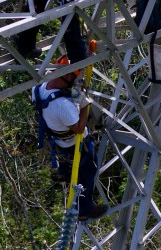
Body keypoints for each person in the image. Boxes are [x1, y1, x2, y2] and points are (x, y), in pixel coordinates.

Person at [31, 55, 108, 221]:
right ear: (67, 76)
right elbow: (79, 129)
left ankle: (64, 172)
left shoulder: (40, 88)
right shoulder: (62, 106)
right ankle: (85, 210)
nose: (77, 81)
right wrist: (84, 105)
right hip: (73, 142)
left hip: (57, 138)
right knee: (88, 172)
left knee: (66, 158)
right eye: (75, 78)